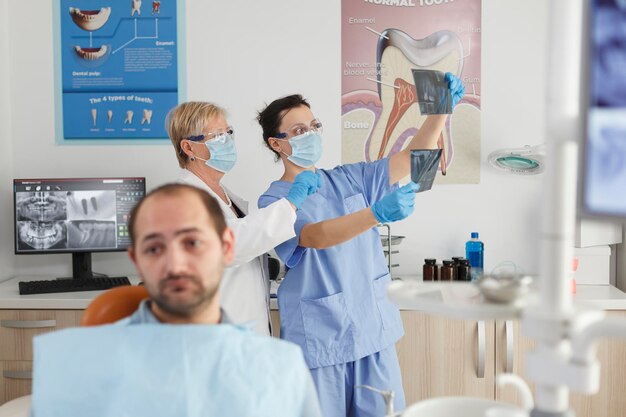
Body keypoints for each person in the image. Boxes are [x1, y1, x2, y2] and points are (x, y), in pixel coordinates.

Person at [256, 74, 464, 417]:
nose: (310, 134)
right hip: (321, 342)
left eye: (314, 125)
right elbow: (315, 237)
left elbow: (415, 158)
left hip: (372, 332)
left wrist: (440, 110)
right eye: (298, 130)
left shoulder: (349, 177)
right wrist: (376, 213)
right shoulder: (275, 201)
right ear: (276, 144)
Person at [30, 183, 322, 417]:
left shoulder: (281, 369)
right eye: (155, 248)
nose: (175, 264)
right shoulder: (64, 366)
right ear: (136, 259)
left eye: (192, 243)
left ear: (227, 246)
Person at [166, 101, 320, 335]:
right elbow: (229, 244)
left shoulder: (229, 198)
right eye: (217, 136)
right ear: (188, 148)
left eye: (228, 132)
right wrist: (291, 202)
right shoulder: (183, 199)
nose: (227, 141)